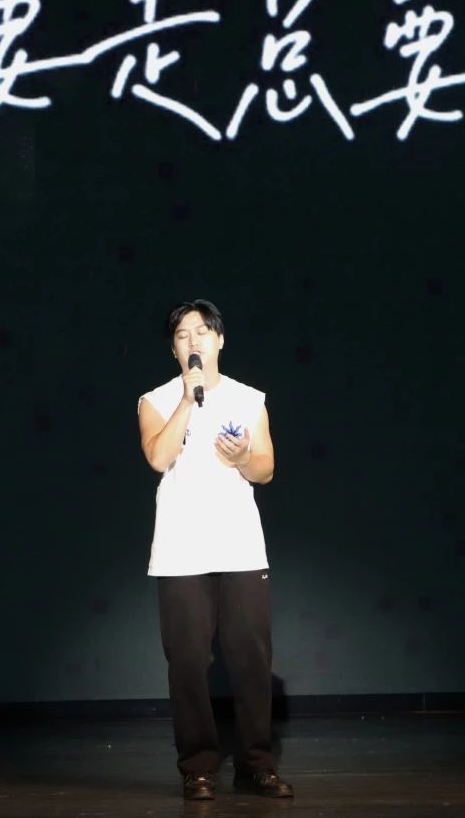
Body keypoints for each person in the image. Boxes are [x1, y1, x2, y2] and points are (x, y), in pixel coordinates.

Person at [136, 299, 294, 801]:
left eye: (203, 331)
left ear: (220, 340)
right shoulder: (155, 400)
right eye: (183, 335)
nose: (194, 341)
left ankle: (257, 764)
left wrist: (244, 455)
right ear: (174, 349)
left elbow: (265, 469)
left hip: (240, 545)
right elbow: (158, 457)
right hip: (180, 548)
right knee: (186, 662)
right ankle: (198, 767)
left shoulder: (249, 399)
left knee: (251, 659)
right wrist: (187, 400)